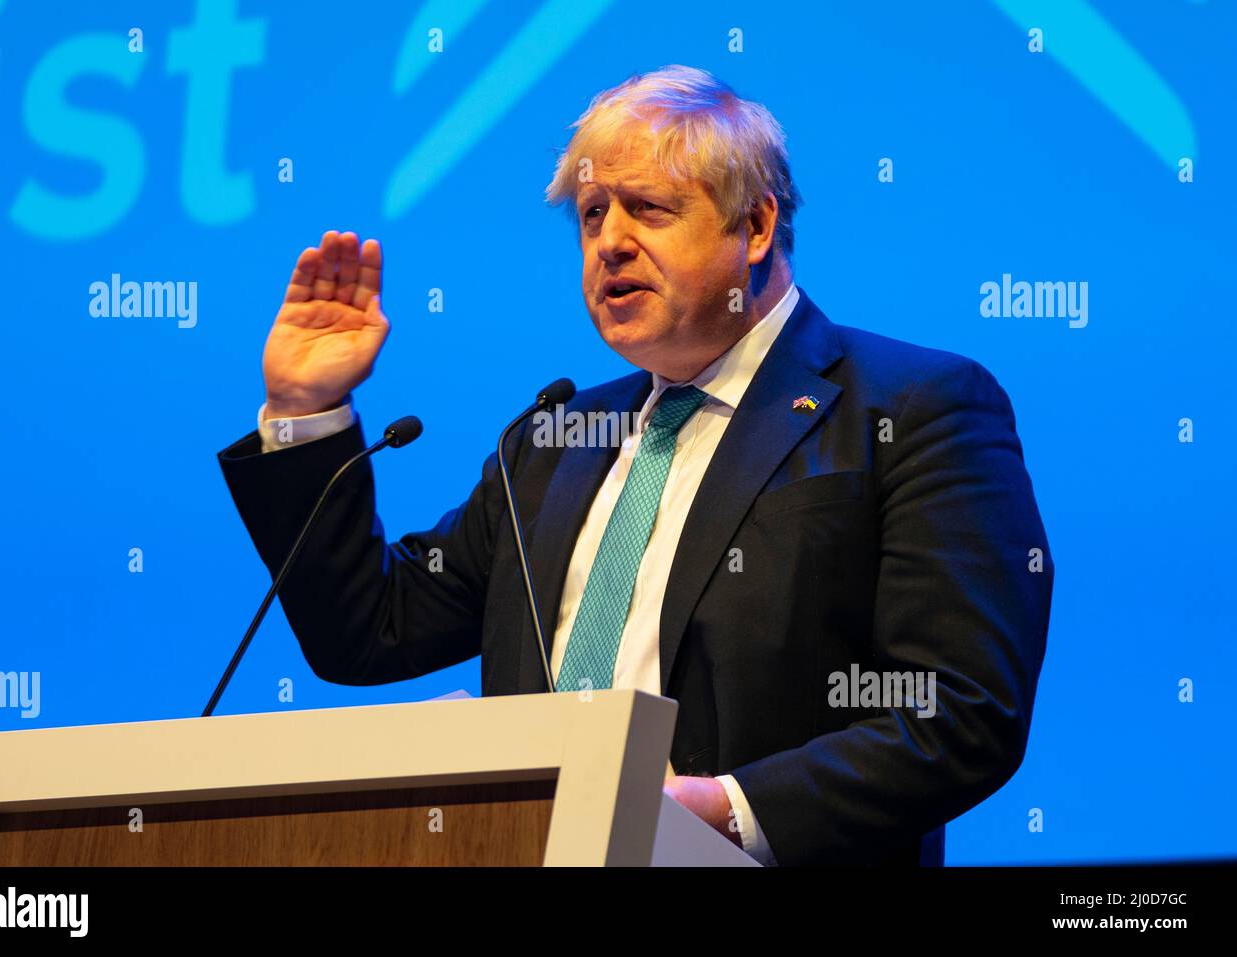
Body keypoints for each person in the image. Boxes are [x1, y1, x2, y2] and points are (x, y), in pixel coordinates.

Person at [218, 65, 1053, 866]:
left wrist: (721, 812)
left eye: (648, 208)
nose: (609, 242)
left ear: (755, 226)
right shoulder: (552, 439)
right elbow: (368, 631)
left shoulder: (911, 408)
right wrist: (305, 411)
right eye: (590, 215)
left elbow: (958, 710)